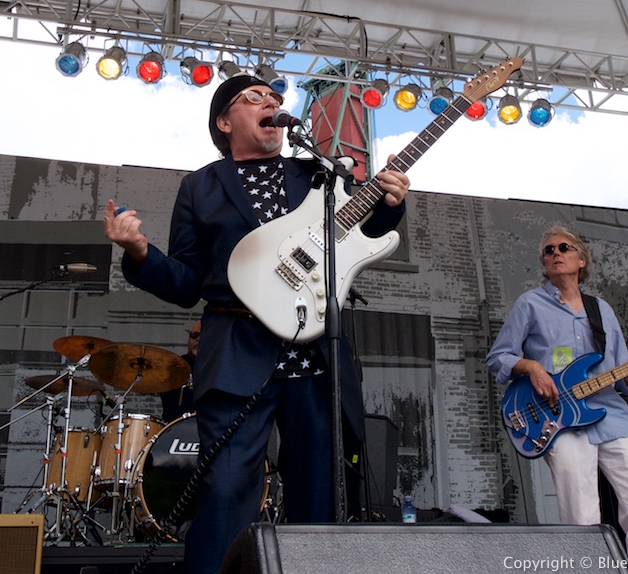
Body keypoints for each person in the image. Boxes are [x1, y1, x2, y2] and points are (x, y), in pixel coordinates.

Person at [103, 74, 409, 574]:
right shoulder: (201, 187)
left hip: (314, 356)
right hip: (237, 351)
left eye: (275, 98)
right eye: (255, 98)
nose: (271, 103)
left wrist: (389, 206)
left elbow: (361, 232)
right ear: (225, 121)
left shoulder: (318, 175)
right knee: (225, 491)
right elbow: (185, 283)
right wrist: (139, 252)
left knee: (321, 498)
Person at [485, 225, 628, 574]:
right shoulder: (530, 304)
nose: (555, 253)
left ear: (581, 260)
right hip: (559, 422)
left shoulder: (601, 311)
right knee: (582, 514)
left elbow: (621, 376)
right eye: (548, 250)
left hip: (610, 416)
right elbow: (499, 357)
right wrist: (532, 367)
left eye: (564, 248)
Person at [159, 320, 200, 423]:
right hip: (174, 430)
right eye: (194, 335)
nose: (198, 339)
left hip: (209, 429)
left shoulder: (218, 368)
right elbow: (145, 388)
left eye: (204, 336)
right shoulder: (173, 366)